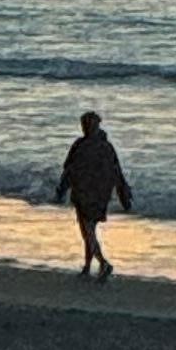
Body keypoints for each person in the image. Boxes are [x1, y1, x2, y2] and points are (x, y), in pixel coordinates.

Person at [58, 108, 132, 279]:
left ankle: (103, 263)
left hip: (85, 193)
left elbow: (68, 170)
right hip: (100, 194)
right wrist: (123, 197)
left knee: (88, 230)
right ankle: (87, 266)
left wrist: (61, 191)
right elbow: (117, 173)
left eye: (87, 125)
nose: (86, 128)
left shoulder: (81, 145)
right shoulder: (106, 147)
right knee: (89, 230)